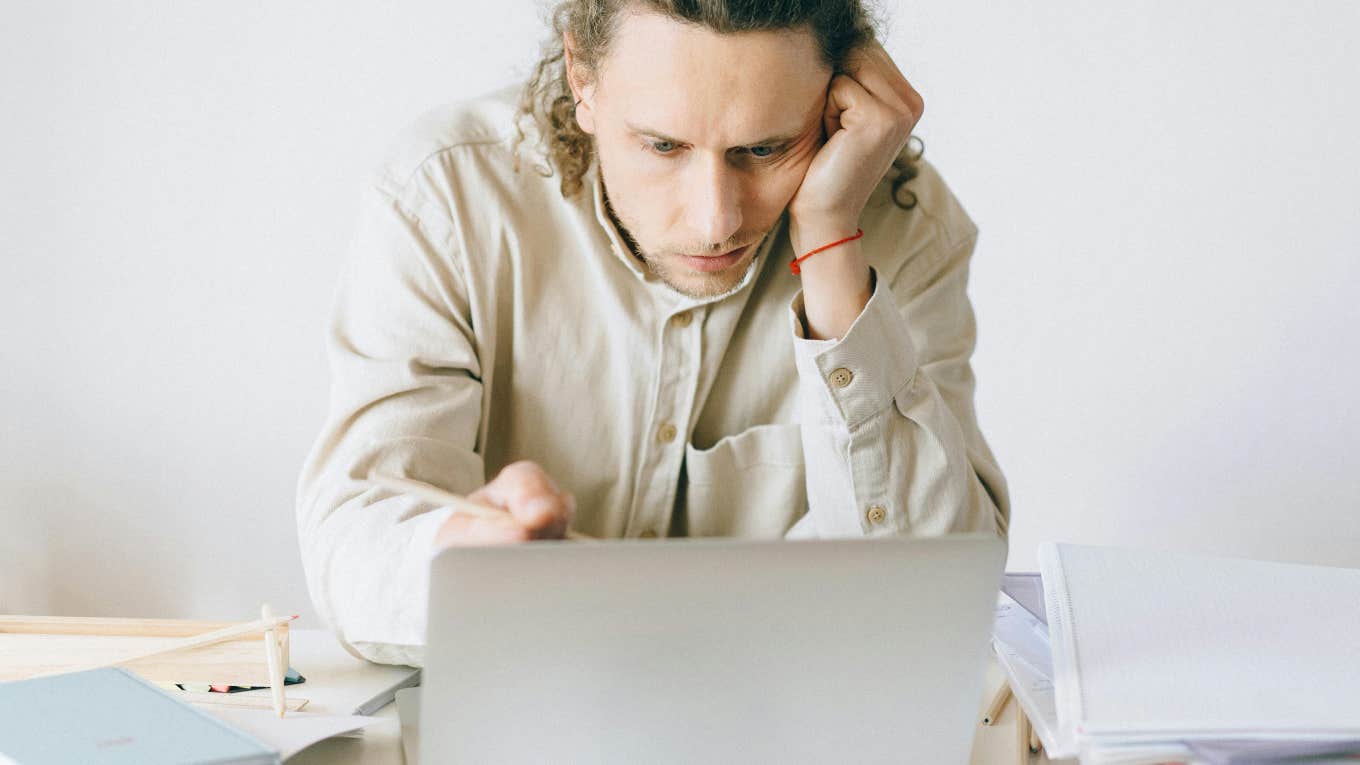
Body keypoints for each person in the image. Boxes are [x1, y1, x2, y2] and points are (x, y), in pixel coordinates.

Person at [296, 0, 1009, 666]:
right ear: (583, 79)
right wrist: (459, 562)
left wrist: (829, 244)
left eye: (764, 149)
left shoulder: (904, 229)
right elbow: (354, 542)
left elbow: (929, 598)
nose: (714, 221)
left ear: (835, 102)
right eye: (663, 145)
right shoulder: (446, 198)